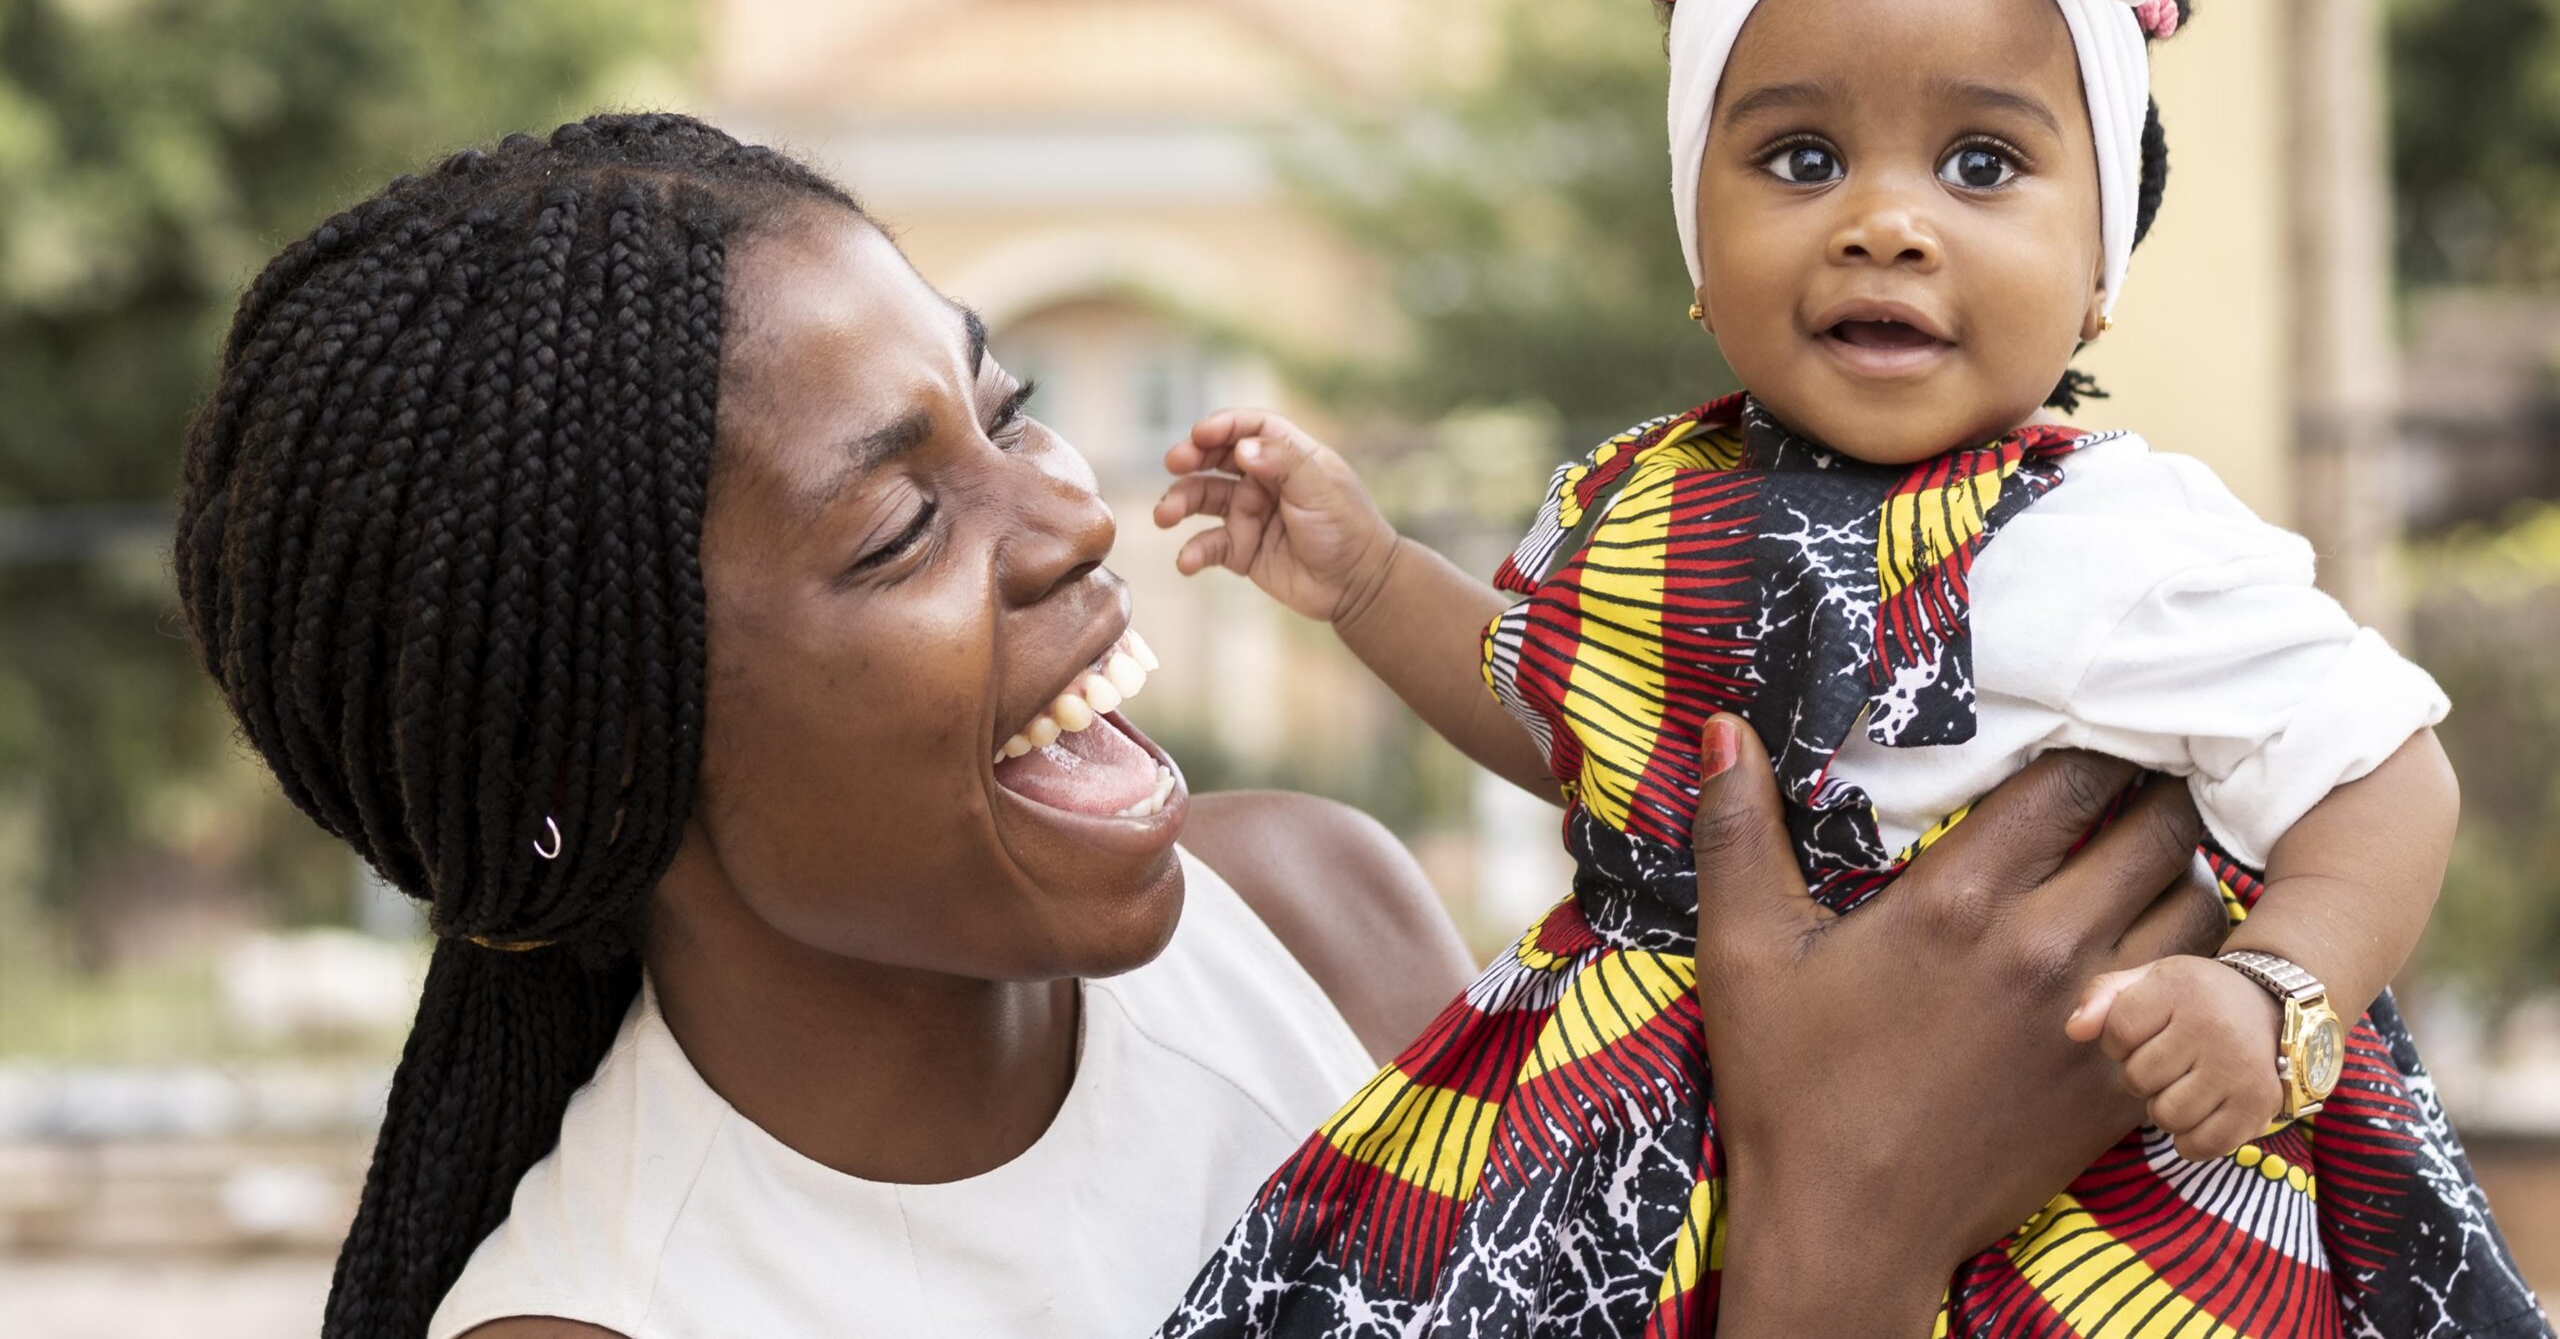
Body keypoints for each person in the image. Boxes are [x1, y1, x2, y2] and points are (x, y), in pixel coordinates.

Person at [175, 111, 2234, 1339]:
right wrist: (1839, 1250)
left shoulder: (1310, 922)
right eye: (902, 518)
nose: (1073, 512)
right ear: (590, 771)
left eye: (1000, 409)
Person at [1153, 0, 2546, 1336]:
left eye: (1980, 164)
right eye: (1803, 158)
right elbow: (1575, 732)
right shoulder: (1638, 495)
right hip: (1615, 1148)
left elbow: (2383, 771)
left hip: (2038, 1181)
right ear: (1698, 237)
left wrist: (2274, 993)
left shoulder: (2103, 539)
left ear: (2098, 283)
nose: (1886, 222)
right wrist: (1374, 578)